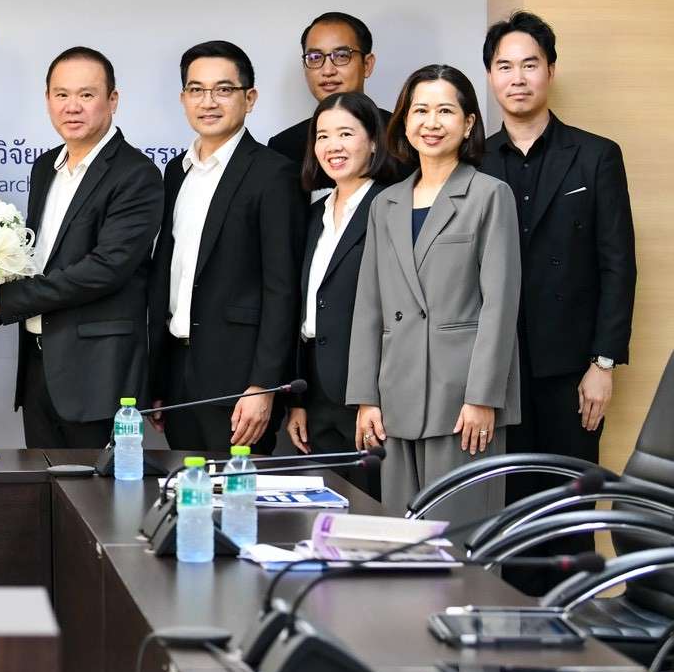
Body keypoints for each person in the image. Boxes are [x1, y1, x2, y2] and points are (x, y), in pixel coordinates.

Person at [479, 11, 635, 584]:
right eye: (505, 66)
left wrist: (603, 363)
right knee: (507, 513)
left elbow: (618, 263)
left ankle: (572, 617)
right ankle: (510, 618)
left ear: (550, 70)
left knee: (570, 508)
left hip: (572, 368)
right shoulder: (474, 161)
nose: (517, 78)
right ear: (490, 77)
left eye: (530, 65)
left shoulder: (595, 155)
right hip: (496, 371)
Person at [0, 47, 162, 448]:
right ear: (47, 99)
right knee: (45, 483)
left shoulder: (136, 174)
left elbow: (105, 269)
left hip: (98, 374)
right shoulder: (46, 166)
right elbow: (38, 263)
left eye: (86, 94)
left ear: (113, 100)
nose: (72, 106)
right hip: (39, 368)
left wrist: (1, 301)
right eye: (61, 94)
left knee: (99, 488)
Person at [346, 64, 521, 523]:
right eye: (420, 110)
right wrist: (366, 397)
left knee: (458, 536)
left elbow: (500, 306)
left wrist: (483, 398)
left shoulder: (489, 195)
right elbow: (369, 306)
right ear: (405, 122)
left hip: (461, 399)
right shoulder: (385, 203)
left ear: (468, 123)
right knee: (400, 540)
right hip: (395, 394)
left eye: (445, 111)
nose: (431, 122)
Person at [151, 40, 304, 453]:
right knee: (186, 491)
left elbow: (283, 288)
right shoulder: (176, 172)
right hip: (180, 375)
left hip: (240, 384)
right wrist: (158, 378)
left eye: (223, 89)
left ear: (249, 98)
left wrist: (263, 385)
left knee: (237, 493)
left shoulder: (274, 174)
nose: (208, 102)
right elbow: (169, 275)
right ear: (183, 98)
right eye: (196, 90)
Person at [282, 92, 398, 488]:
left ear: (374, 142)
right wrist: (298, 401)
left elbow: (395, 309)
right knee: (325, 506)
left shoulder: (391, 207)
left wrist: (372, 397)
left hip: (368, 390)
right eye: (323, 136)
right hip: (316, 388)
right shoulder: (314, 213)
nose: (333, 146)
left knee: (370, 506)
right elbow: (306, 307)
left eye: (346, 134)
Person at [268, 11, 396, 171]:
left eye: (342, 55)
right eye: (315, 57)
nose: (327, 71)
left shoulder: (402, 134)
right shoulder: (283, 147)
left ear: (367, 65)